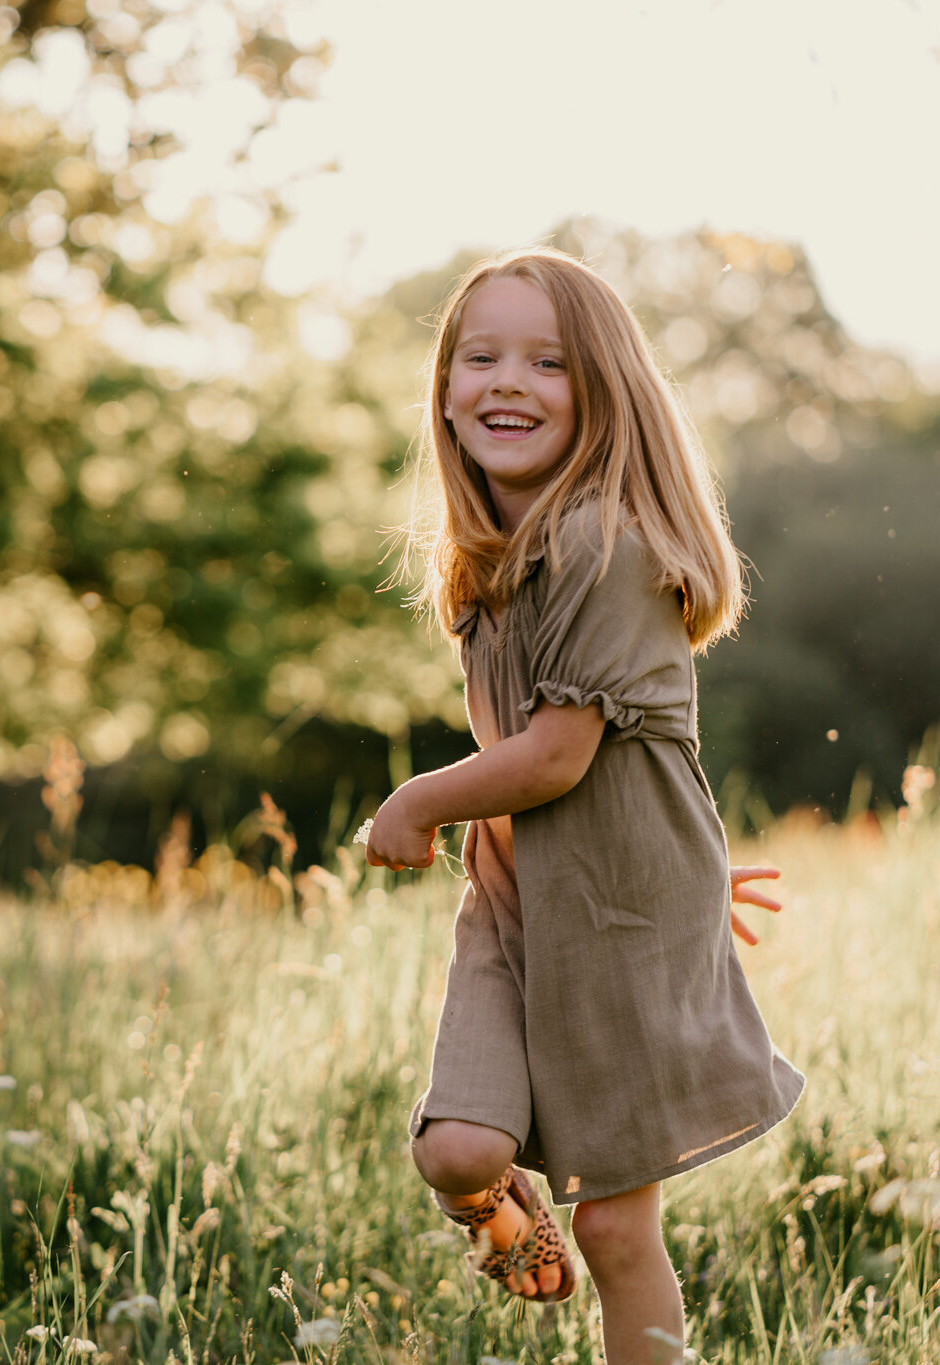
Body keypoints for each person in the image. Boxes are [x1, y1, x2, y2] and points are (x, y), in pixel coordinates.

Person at [364, 247, 804, 1363]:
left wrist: (418, 800)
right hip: (515, 905)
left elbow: (559, 756)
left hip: (617, 914)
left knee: (613, 1222)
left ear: (604, 396)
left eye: (547, 362)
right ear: (446, 391)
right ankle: (501, 1220)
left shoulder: (601, 544)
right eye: (481, 357)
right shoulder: (492, 569)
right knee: (457, 1149)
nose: (506, 380)